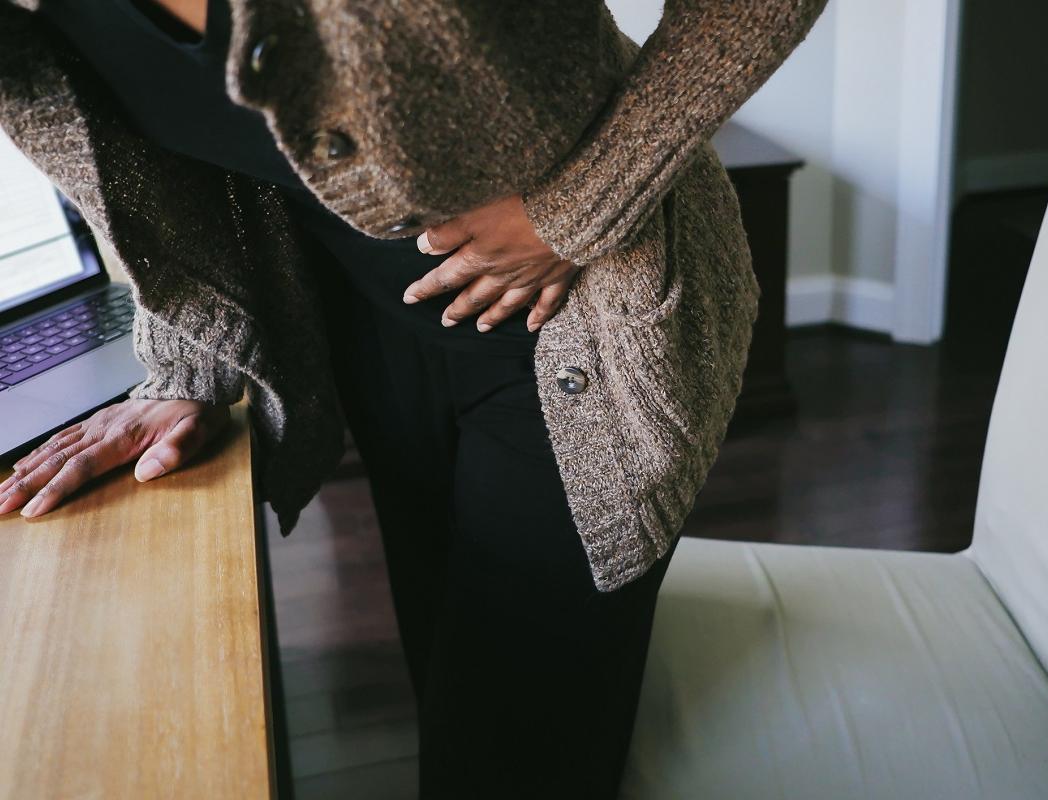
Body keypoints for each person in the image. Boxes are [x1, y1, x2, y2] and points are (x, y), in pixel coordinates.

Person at [0, 0, 828, 796]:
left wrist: (576, 208)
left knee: (513, 752)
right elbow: (147, 169)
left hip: (590, 340)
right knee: (449, 672)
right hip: (371, 327)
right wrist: (191, 363)